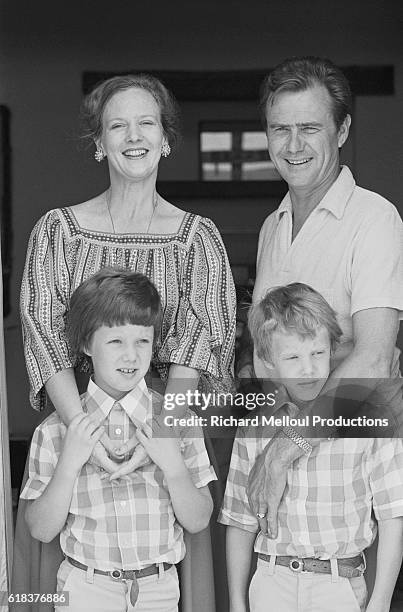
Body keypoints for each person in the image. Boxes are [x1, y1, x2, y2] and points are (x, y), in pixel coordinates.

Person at [15, 73, 236, 612]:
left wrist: (154, 438)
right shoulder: (58, 231)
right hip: (79, 427)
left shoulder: (197, 238)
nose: (133, 136)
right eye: (118, 125)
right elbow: (44, 334)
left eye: (147, 123)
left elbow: (201, 342)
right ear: (99, 144)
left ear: (165, 139)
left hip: (167, 439)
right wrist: (87, 436)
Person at [241, 56, 403, 536]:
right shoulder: (274, 226)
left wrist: (284, 447)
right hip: (283, 459)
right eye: (279, 129)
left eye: (309, 128)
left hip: (352, 464)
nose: (293, 146)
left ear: (343, 130)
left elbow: (373, 359)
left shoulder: (375, 219)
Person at [21, 268, 216, 612]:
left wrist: (173, 466)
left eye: (142, 340)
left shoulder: (180, 423)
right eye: (115, 341)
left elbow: (199, 521)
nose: (131, 355)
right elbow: (40, 530)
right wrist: (69, 463)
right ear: (85, 345)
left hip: (158, 589)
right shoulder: (53, 430)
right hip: (85, 589)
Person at [221, 283, 403, 612]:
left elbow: (394, 517)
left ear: (333, 349)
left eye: (317, 353)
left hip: (339, 584)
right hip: (270, 582)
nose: (308, 368)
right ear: (268, 360)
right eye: (292, 357)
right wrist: (236, 601)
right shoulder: (253, 428)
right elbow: (240, 522)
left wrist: (380, 602)